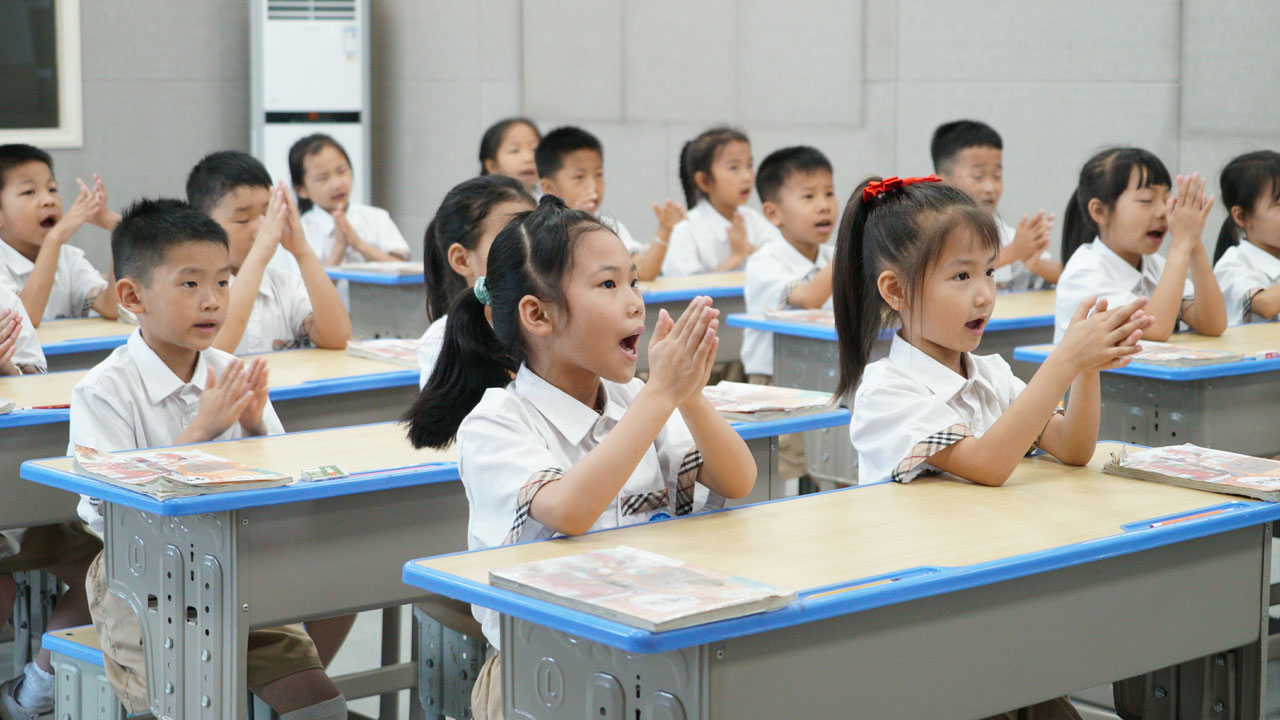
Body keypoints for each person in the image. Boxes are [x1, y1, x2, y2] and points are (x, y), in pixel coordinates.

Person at [403, 196, 756, 719]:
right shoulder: (497, 421)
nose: (634, 302)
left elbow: (739, 478)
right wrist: (660, 395)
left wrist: (690, 394)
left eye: (634, 281)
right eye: (609, 285)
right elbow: (570, 510)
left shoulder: (635, 399)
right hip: (539, 675)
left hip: (647, 661)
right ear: (538, 315)